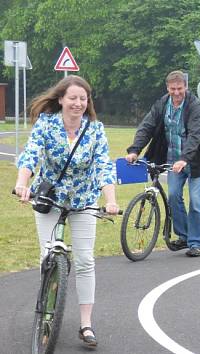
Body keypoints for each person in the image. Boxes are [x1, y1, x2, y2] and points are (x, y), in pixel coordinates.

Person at [14, 75, 119, 347]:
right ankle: (47, 306)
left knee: (85, 261)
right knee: (48, 254)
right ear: (61, 99)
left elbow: (103, 166)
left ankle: (86, 324)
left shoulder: (95, 130)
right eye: (72, 98)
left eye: (83, 99)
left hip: (83, 200)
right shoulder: (46, 125)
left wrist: (111, 200)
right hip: (50, 199)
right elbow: (31, 154)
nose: (78, 103)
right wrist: (22, 184)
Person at [126, 70, 200, 257]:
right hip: (173, 162)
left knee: (196, 202)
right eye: (173, 89)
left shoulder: (194, 106)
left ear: (186, 87)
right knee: (174, 196)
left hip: (196, 163)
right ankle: (184, 236)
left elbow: (195, 135)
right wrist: (135, 149)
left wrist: (184, 159)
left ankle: (198, 242)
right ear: (167, 87)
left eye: (180, 88)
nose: (176, 92)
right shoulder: (162, 104)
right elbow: (147, 126)